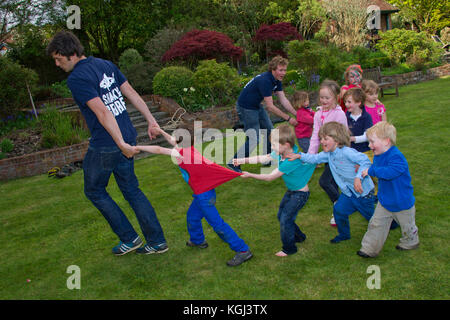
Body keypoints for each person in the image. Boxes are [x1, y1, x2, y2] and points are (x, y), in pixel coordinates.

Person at [46, 31, 168, 256]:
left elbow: (102, 112)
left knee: (94, 190)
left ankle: (129, 238)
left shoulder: (77, 79)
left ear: (71, 54)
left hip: (107, 143)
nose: (56, 63)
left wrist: (120, 143)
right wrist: (151, 121)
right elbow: (131, 93)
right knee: (131, 190)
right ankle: (157, 241)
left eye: (58, 58)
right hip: (126, 137)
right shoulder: (105, 64)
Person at [138, 125, 252, 267]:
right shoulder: (188, 148)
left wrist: (137, 147)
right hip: (202, 193)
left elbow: (159, 149)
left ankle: (242, 250)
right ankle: (198, 240)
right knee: (192, 216)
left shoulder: (181, 153)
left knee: (218, 225)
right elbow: (173, 141)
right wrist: (161, 131)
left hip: (204, 196)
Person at [233, 124, 315, 256]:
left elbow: (270, 177)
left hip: (300, 195)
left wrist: (250, 174)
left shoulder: (290, 160)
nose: (272, 148)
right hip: (292, 191)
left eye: (274, 145)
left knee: (285, 219)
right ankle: (299, 237)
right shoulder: (282, 152)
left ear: (286, 145)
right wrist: (242, 160)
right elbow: (264, 157)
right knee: (281, 216)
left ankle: (289, 249)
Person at [288, 122, 376, 244]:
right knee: (339, 210)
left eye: (325, 139)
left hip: (363, 193)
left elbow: (365, 161)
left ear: (337, 140)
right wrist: (299, 156)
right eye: (321, 139)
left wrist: (358, 178)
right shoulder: (328, 154)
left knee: (372, 218)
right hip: (348, 193)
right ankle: (344, 234)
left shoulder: (347, 152)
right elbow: (315, 158)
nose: (322, 142)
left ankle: (390, 225)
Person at [357, 122, 419, 258]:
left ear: (386, 141)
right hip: (385, 201)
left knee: (408, 227)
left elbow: (390, 172)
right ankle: (369, 249)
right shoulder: (379, 155)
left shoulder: (396, 157)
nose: (369, 145)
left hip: (402, 201)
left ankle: (410, 241)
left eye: (372, 142)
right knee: (376, 224)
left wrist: (372, 170)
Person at [228, 56, 298, 173]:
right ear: (273, 69)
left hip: (256, 105)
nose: (283, 73)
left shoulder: (277, 80)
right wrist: (288, 118)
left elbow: (283, 99)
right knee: (254, 138)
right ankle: (234, 163)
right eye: (281, 70)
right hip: (246, 107)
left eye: (285, 70)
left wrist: (296, 114)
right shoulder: (265, 80)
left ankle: (268, 159)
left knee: (271, 133)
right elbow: (270, 106)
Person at [308, 80, 348, 227]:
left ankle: (341, 206)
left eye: (327, 97)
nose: (324, 100)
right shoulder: (318, 115)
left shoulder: (340, 115)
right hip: (327, 155)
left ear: (336, 97)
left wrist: (338, 151)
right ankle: (338, 213)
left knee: (324, 182)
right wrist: (311, 156)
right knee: (332, 183)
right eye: (321, 97)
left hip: (338, 155)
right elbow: (314, 136)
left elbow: (344, 136)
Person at [344, 88, 373, 159]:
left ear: (358, 102)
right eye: (345, 102)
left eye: (349, 102)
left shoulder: (366, 117)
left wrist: (353, 139)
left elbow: (367, 136)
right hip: (350, 151)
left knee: (365, 169)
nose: (346, 104)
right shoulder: (345, 116)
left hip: (365, 151)